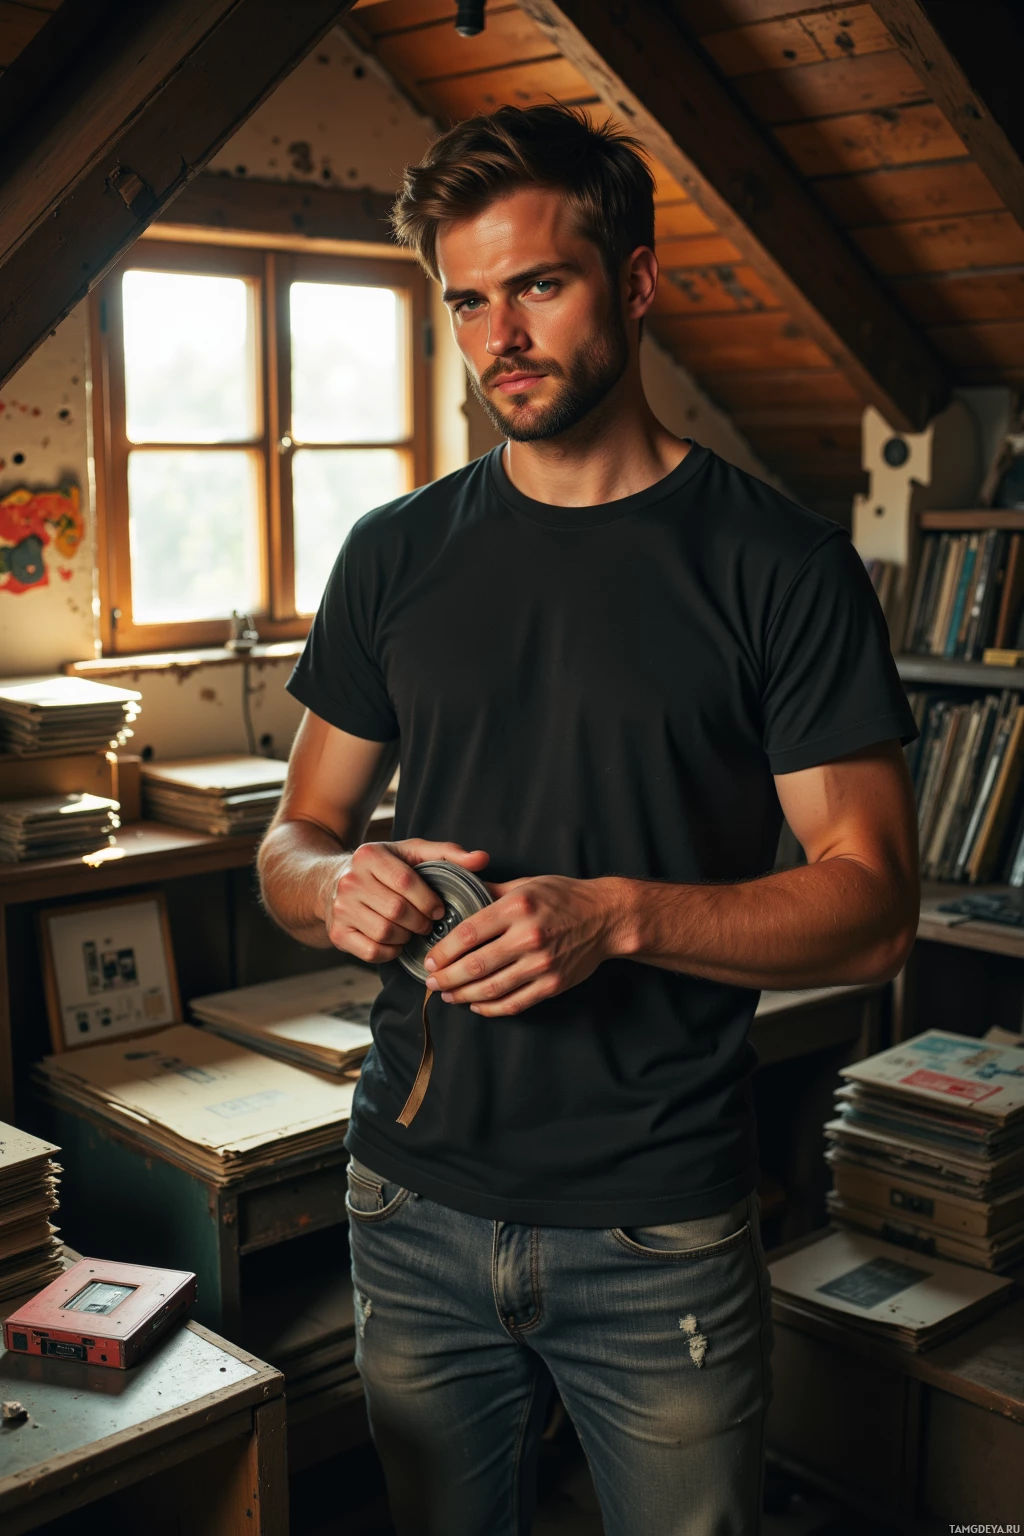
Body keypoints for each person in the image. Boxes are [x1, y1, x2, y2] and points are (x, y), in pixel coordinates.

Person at [258, 103, 919, 1536]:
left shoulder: (780, 567)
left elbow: (871, 907)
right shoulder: (394, 555)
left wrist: (615, 914)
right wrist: (335, 886)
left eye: (540, 286)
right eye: (469, 300)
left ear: (635, 283)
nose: (500, 332)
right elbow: (291, 836)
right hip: (408, 1202)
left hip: (656, 1227)